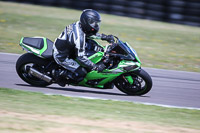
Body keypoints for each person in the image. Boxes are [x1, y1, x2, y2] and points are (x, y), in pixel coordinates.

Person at [52, 9, 115, 86]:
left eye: (96, 23)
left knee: (94, 45)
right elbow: (81, 58)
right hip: (62, 56)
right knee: (82, 72)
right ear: (86, 21)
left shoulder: (80, 25)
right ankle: (60, 75)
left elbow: (89, 34)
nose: (96, 25)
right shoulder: (79, 37)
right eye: (93, 22)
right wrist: (95, 67)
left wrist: (105, 37)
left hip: (69, 48)